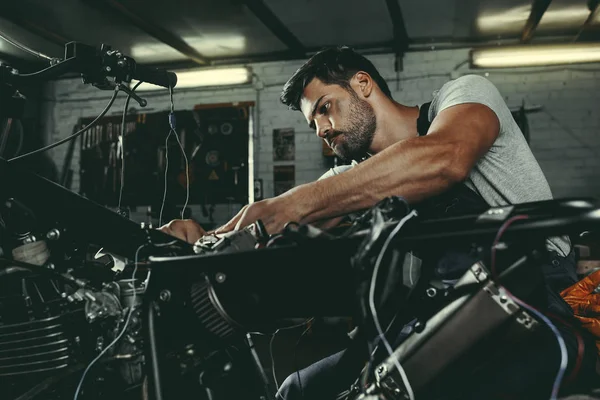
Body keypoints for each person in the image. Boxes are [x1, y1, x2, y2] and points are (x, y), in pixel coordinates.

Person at [160, 46, 598, 399]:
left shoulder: (461, 96)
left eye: (326, 108)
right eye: (314, 124)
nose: (322, 131)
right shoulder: (352, 178)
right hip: (437, 304)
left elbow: (444, 159)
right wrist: (204, 239)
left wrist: (300, 202)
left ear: (363, 84)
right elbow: (273, 214)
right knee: (298, 389)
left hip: (529, 295)